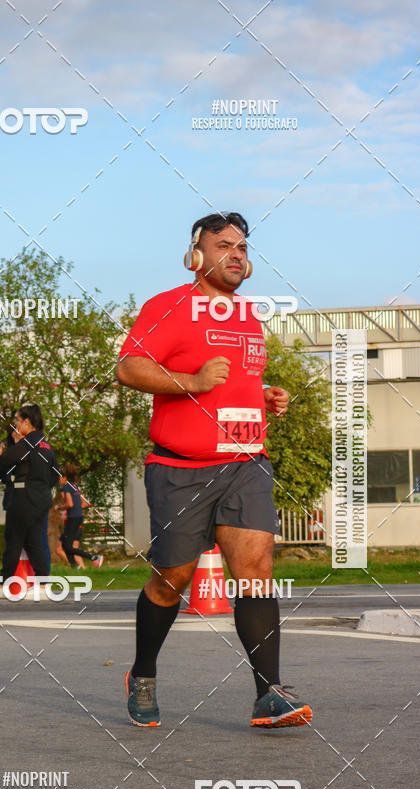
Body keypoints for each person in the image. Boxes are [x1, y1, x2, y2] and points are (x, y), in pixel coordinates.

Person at [116, 211, 312, 729]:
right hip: (180, 469)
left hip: (245, 464)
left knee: (256, 573)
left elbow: (238, 382)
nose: (237, 255)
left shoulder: (248, 316)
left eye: (243, 247)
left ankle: (269, 694)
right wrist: (192, 382)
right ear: (196, 254)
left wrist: (265, 396)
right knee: (171, 581)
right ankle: (143, 672)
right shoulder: (168, 307)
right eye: (224, 245)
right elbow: (129, 367)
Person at [0, 404, 59, 598]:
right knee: (35, 542)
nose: (15, 424)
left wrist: (2, 454)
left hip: (23, 499)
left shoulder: (26, 444)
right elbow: (55, 476)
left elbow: (6, 461)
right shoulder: (47, 447)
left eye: (17, 421)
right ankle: (42, 585)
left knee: (13, 541)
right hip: (42, 499)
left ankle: (3, 584)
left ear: (27, 422)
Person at [55, 463, 103, 569]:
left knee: (67, 546)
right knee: (64, 545)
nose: (58, 480)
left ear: (64, 477)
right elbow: (85, 503)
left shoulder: (67, 487)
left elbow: (70, 504)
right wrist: (76, 509)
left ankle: (94, 558)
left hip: (73, 518)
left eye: (59, 477)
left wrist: (59, 508)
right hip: (77, 517)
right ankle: (74, 568)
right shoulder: (74, 486)